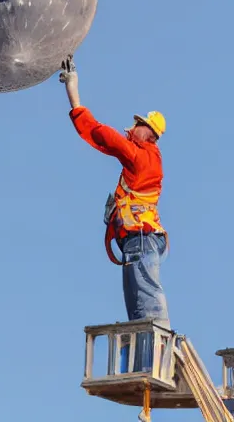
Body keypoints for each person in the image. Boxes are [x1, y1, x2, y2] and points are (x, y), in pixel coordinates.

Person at [58, 56, 170, 333]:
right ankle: (150, 356)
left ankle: (160, 353)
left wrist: (74, 94)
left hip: (141, 241)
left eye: (137, 125)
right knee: (138, 306)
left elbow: (102, 134)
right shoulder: (144, 157)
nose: (130, 128)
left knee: (147, 305)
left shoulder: (141, 155)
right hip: (137, 242)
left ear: (149, 133)